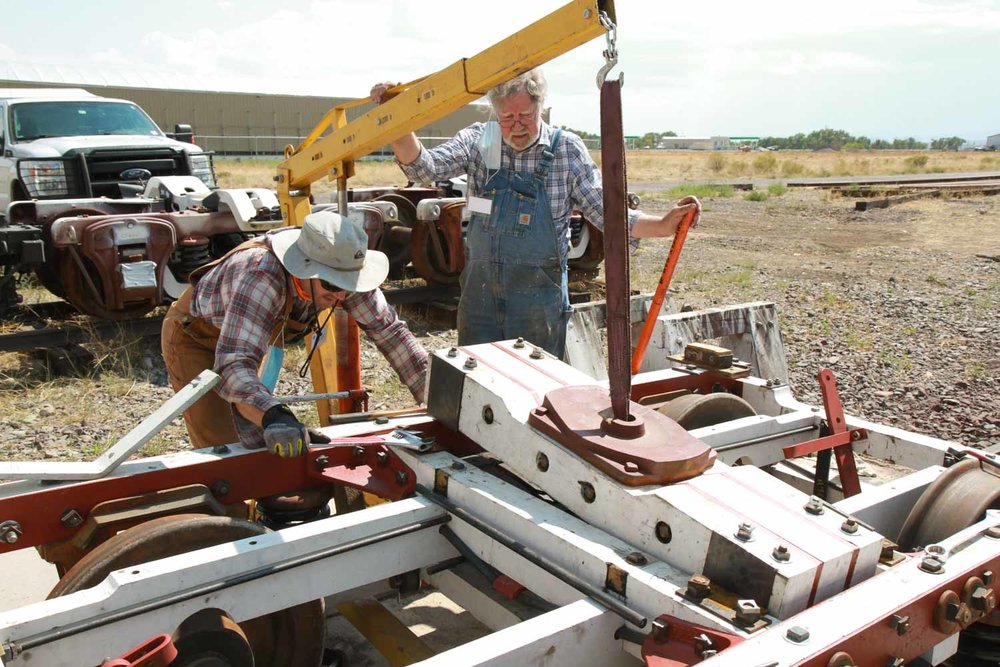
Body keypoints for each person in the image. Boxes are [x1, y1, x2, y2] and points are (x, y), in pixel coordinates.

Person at [371, 68, 700, 358]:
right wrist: (396, 118)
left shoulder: (566, 151)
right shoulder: (479, 140)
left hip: (537, 307)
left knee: (535, 392)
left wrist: (662, 225)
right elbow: (424, 169)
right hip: (480, 300)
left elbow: (605, 213)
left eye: (525, 116)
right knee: (478, 387)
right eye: (507, 118)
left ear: (540, 106)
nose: (516, 127)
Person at [161, 210, 427, 458]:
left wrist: (433, 392)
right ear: (304, 269)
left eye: (349, 286)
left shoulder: (342, 269)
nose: (342, 296)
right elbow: (234, 363)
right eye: (333, 285)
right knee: (225, 450)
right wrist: (276, 415)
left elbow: (391, 333)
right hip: (197, 338)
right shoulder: (261, 275)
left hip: (248, 336)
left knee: (258, 438)